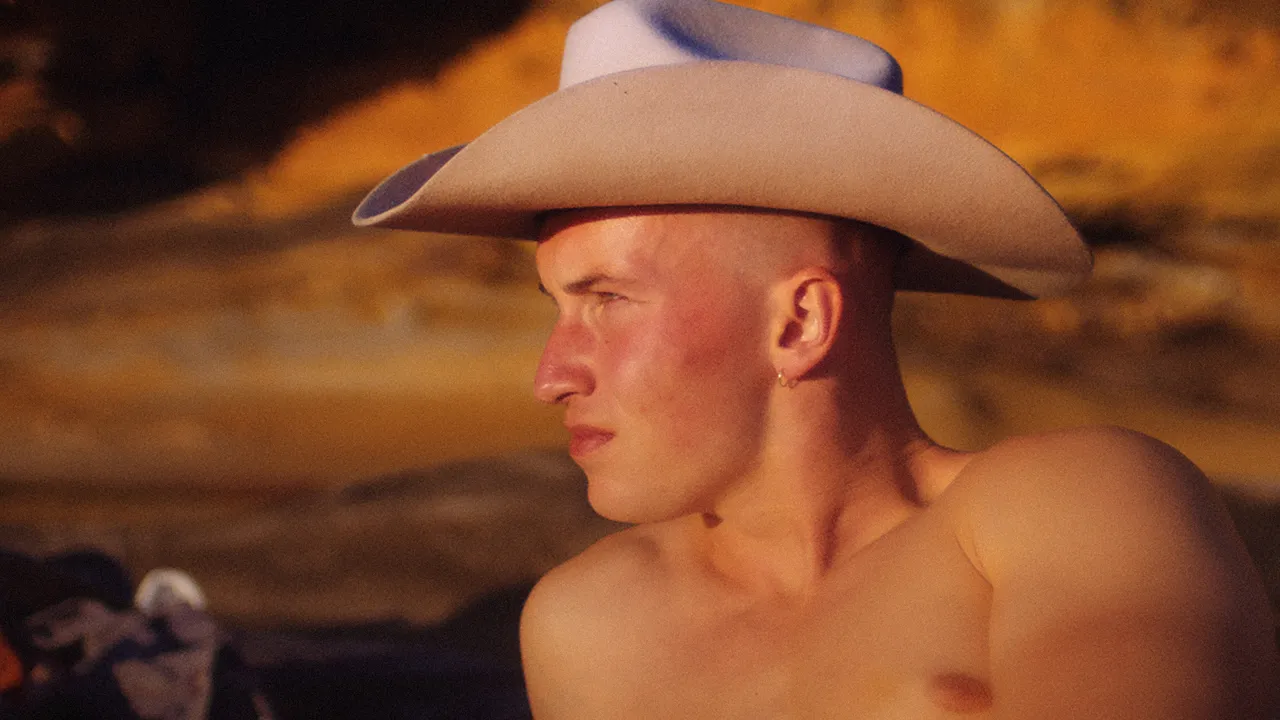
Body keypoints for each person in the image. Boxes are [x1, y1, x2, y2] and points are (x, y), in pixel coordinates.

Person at [352, 0, 1280, 717]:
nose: (550, 375)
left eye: (608, 301)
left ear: (799, 323)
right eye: (557, 309)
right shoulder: (591, 623)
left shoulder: (1069, 503)